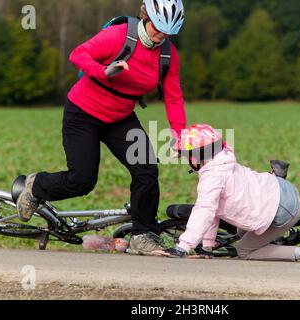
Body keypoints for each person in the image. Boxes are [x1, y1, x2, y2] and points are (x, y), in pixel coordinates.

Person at [15, 0, 187, 256]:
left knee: (146, 170)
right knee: (82, 180)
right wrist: (103, 71)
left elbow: (173, 96)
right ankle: (36, 185)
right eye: (157, 29)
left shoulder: (168, 55)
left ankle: (143, 235)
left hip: (120, 118)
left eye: (168, 33)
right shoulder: (119, 36)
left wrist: (179, 134)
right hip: (83, 113)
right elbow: (78, 54)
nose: (161, 36)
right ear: (146, 16)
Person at [159, 124, 300, 262]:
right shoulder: (223, 160)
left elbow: (204, 210)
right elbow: (214, 212)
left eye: (187, 156)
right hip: (280, 189)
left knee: (245, 250)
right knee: (244, 234)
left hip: (282, 210)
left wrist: (183, 247)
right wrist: (206, 248)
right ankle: (273, 244)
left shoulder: (212, 177)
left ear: (197, 156)